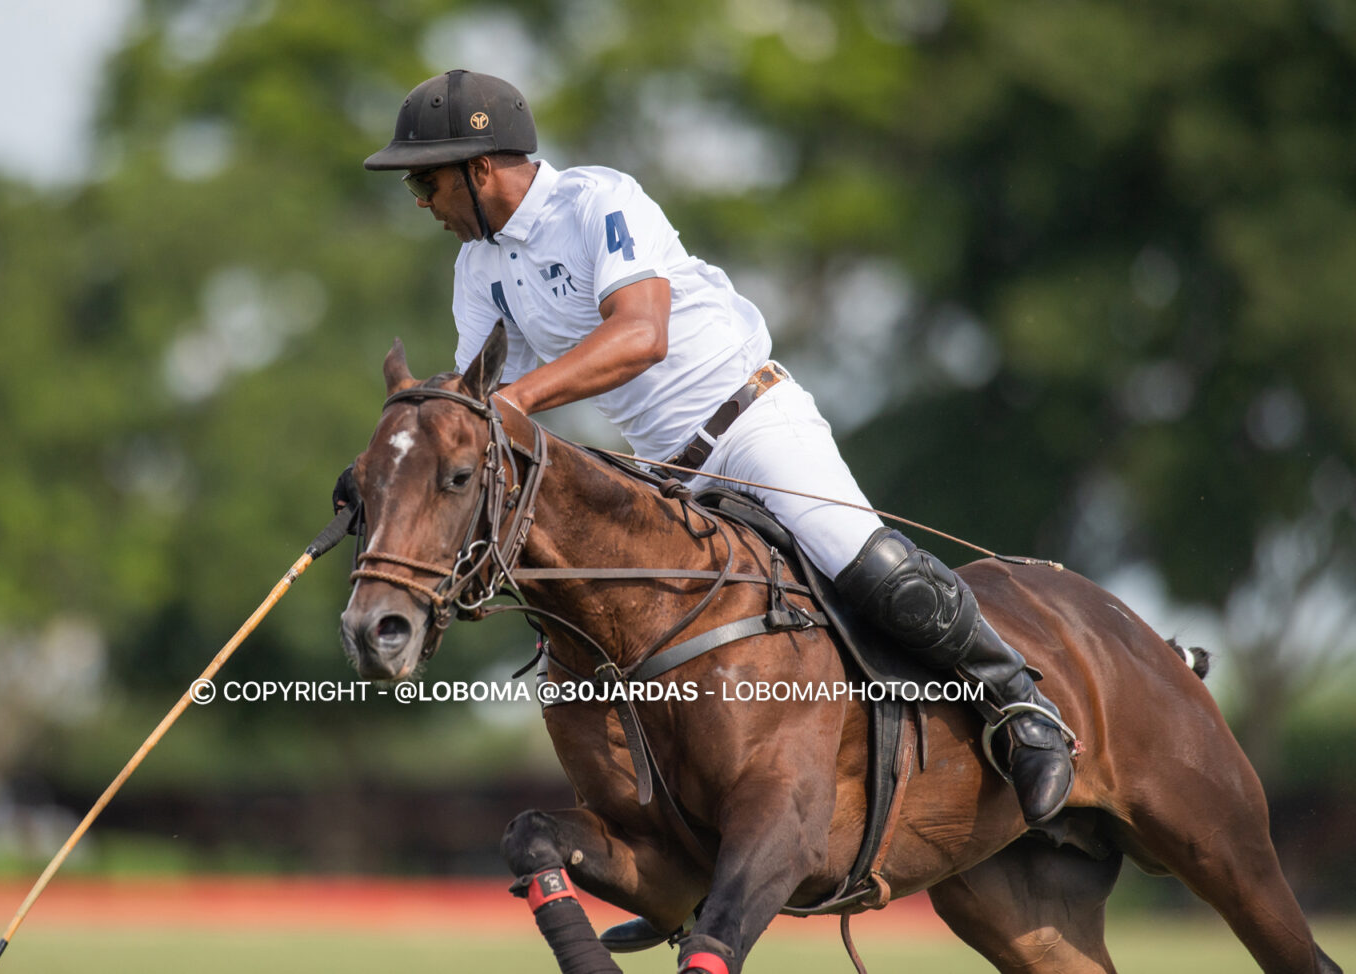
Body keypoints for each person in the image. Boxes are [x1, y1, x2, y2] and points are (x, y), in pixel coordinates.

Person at [362, 70, 1075, 830]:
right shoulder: (478, 269)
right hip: (667, 473)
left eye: (425, 183)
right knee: (613, 644)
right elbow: (470, 416)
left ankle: (1021, 707)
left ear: (479, 170)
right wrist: (390, 471)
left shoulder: (598, 202)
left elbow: (642, 333)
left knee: (874, 570)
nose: (421, 204)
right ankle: (671, 860)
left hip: (751, 423)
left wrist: (513, 401)